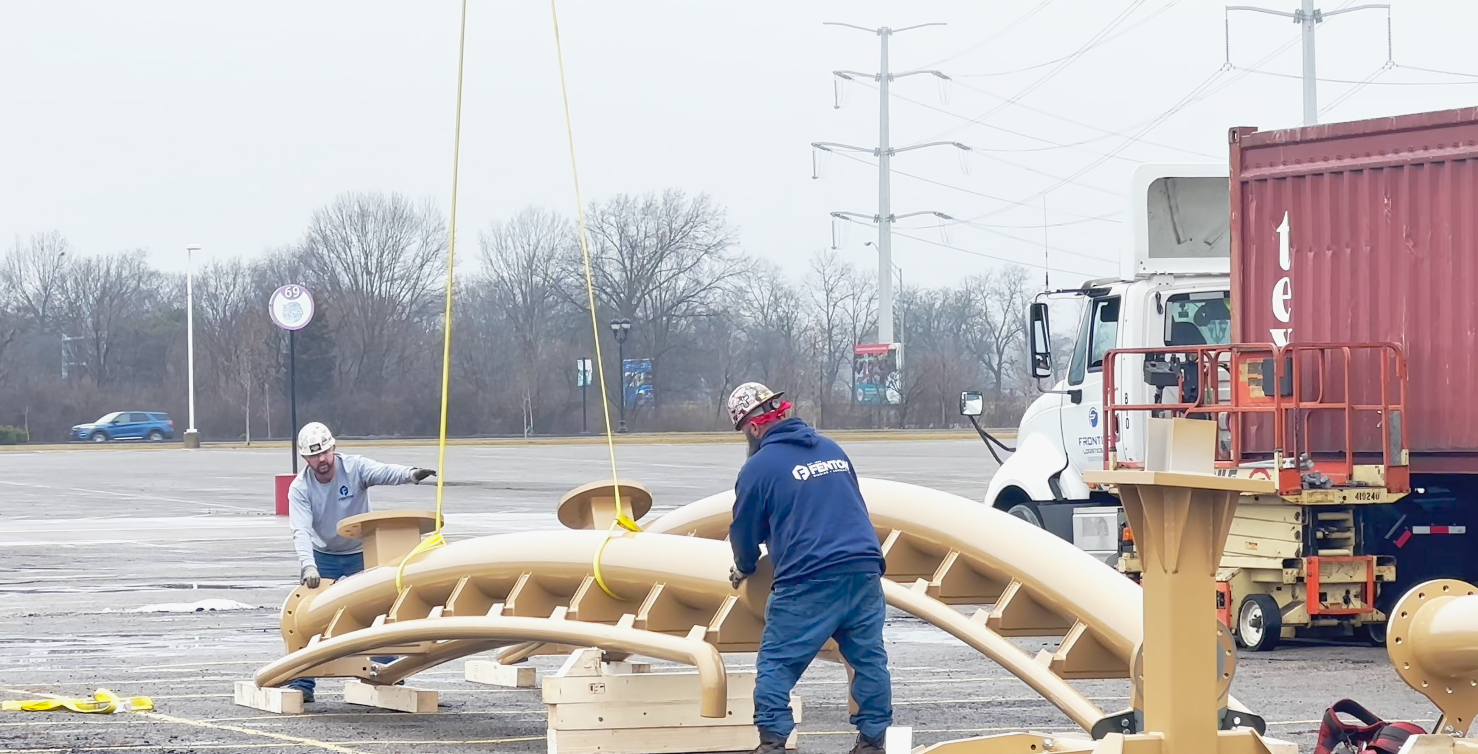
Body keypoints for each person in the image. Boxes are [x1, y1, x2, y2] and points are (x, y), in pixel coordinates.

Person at [725, 382, 892, 754]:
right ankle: (873, 742)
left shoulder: (759, 467)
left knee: (777, 662)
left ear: (752, 428)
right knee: (868, 660)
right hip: (864, 569)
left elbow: (745, 530)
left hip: (809, 577)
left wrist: (744, 566)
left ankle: (773, 742)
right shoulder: (831, 449)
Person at [283, 421, 436, 701]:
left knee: (379, 613)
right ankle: (303, 684)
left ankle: (387, 672)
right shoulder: (300, 489)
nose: (322, 461)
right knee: (306, 617)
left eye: (325, 453)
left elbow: (383, 472)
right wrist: (308, 566)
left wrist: (411, 474)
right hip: (323, 558)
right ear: (305, 458)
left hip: (360, 554)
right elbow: (301, 530)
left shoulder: (355, 468)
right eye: (314, 456)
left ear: (334, 448)